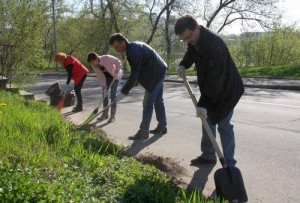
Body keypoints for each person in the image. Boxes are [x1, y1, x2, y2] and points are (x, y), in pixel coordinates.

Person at [174, 15, 244, 166]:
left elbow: (216, 78)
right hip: (212, 88)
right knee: (207, 119)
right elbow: (191, 52)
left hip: (227, 89)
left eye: (189, 37)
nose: (188, 41)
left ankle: (229, 162)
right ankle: (208, 155)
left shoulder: (214, 44)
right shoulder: (195, 39)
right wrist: (183, 64)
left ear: (197, 28)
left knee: (224, 124)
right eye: (184, 39)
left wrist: (204, 103)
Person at [109, 33, 167, 140]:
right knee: (158, 101)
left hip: (155, 74)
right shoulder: (132, 48)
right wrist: (136, 81)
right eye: (114, 48)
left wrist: (123, 92)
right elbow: (140, 68)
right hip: (159, 70)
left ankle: (143, 132)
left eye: (117, 46)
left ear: (122, 42)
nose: (117, 50)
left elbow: (134, 73)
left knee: (147, 103)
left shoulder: (133, 51)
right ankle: (162, 126)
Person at [87, 52, 123, 123]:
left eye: (93, 62)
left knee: (113, 96)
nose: (93, 64)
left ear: (97, 58)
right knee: (105, 95)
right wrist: (104, 87)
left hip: (115, 77)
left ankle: (112, 116)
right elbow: (100, 77)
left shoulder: (107, 58)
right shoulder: (94, 66)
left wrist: (116, 72)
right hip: (106, 79)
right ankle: (105, 114)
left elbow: (119, 62)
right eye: (91, 63)